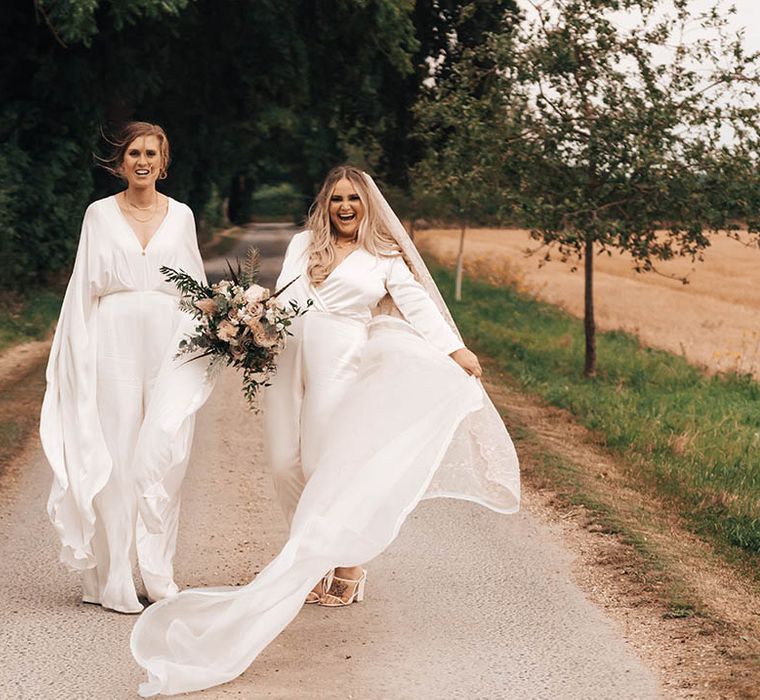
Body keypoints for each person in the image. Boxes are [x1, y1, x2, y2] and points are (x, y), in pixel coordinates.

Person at [130, 166, 519, 696]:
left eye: (353, 199)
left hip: (342, 367)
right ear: (325, 204)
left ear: (368, 206)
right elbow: (285, 300)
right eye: (336, 198)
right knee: (283, 463)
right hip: (289, 360)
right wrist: (249, 318)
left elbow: (420, 307)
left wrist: (456, 350)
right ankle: (311, 556)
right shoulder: (302, 245)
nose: (344, 206)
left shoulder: (383, 259)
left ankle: (347, 568)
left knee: (325, 466)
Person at [40, 121, 212, 614]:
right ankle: (114, 579)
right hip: (111, 341)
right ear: (122, 161)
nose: (142, 160)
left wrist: (227, 323)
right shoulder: (98, 214)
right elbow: (82, 290)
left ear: (163, 162)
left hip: (168, 341)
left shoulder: (181, 216)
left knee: (164, 452)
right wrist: (76, 354)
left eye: (151, 153)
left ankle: (158, 573)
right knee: (115, 453)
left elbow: (195, 286)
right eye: (134, 152)